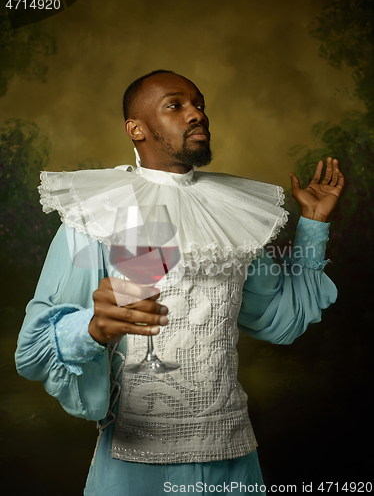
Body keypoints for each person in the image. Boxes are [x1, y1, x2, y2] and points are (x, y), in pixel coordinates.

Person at [15, 70, 344, 495]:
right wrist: (93, 329)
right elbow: (35, 346)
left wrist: (313, 227)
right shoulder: (100, 214)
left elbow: (280, 318)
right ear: (136, 129)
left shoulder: (232, 215)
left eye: (199, 104)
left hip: (234, 462)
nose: (196, 114)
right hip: (137, 465)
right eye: (175, 105)